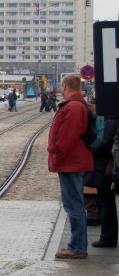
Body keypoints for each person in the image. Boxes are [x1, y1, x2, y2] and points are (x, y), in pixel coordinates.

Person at [48, 74, 93, 259]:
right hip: (73, 161)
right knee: (74, 204)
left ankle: (78, 246)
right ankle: (78, 245)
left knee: (74, 205)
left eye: (61, 85)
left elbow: (67, 138)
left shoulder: (73, 107)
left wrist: (57, 158)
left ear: (65, 86)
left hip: (71, 162)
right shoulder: (77, 105)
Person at [90, 103, 118, 248]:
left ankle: (108, 237)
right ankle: (108, 236)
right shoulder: (110, 119)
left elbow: (104, 142)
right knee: (106, 202)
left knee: (106, 203)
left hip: (106, 167)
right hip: (106, 166)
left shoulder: (111, 120)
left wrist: (90, 148)